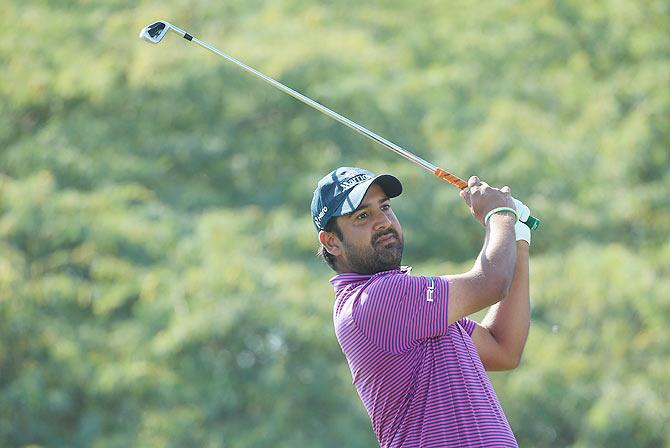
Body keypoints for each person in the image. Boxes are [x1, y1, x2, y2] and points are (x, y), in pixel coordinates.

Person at [310, 167, 531, 447]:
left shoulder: (413, 309)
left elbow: (503, 349)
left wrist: (518, 239)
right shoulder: (377, 299)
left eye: (385, 207)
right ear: (331, 242)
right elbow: (492, 283)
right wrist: (499, 215)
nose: (383, 222)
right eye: (362, 216)